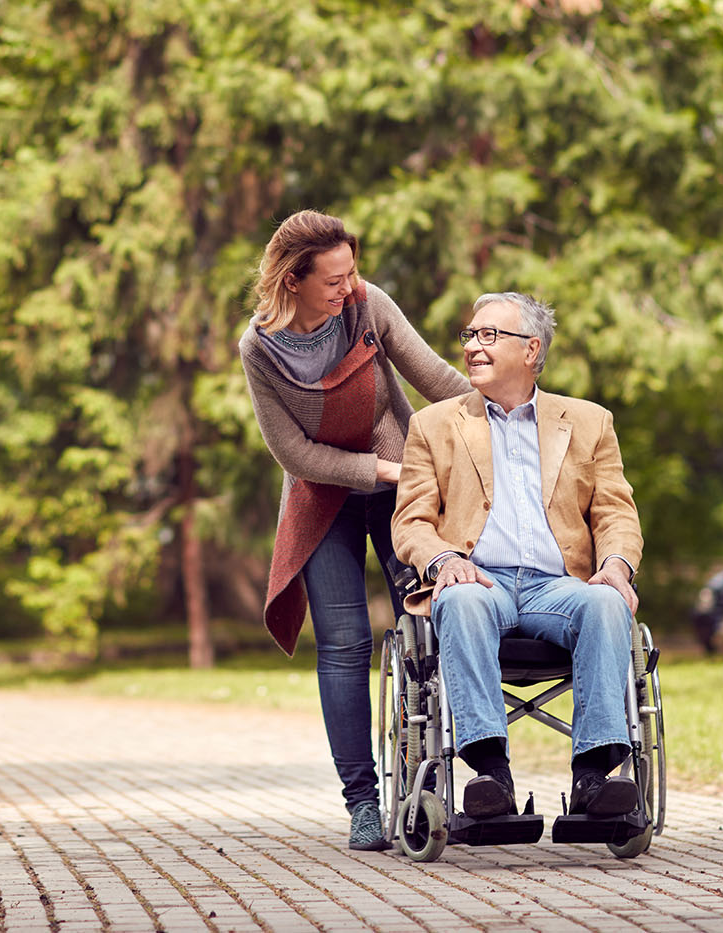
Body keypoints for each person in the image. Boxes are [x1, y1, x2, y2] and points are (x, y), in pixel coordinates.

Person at [239, 210, 469, 850]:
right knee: (343, 644)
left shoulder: (368, 307)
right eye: (332, 280)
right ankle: (363, 804)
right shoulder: (259, 350)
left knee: (426, 622)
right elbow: (294, 454)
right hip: (325, 495)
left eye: (350, 273)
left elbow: (437, 381)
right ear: (292, 281)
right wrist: (384, 470)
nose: (347, 287)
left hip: (399, 481)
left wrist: (513, 414)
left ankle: (433, 780)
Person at [391, 291, 644, 821]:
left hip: (559, 586)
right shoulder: (434, 425)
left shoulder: (589, 422)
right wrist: (441, 562)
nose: (473, 347)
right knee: (460, 600)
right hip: (479, 580)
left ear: (531, 350)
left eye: (489, 335)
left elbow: (616, 514)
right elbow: (411, 521)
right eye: (470, 336)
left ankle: (595, 778)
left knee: (606, 604)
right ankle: (489, 775)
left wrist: (616, 566)